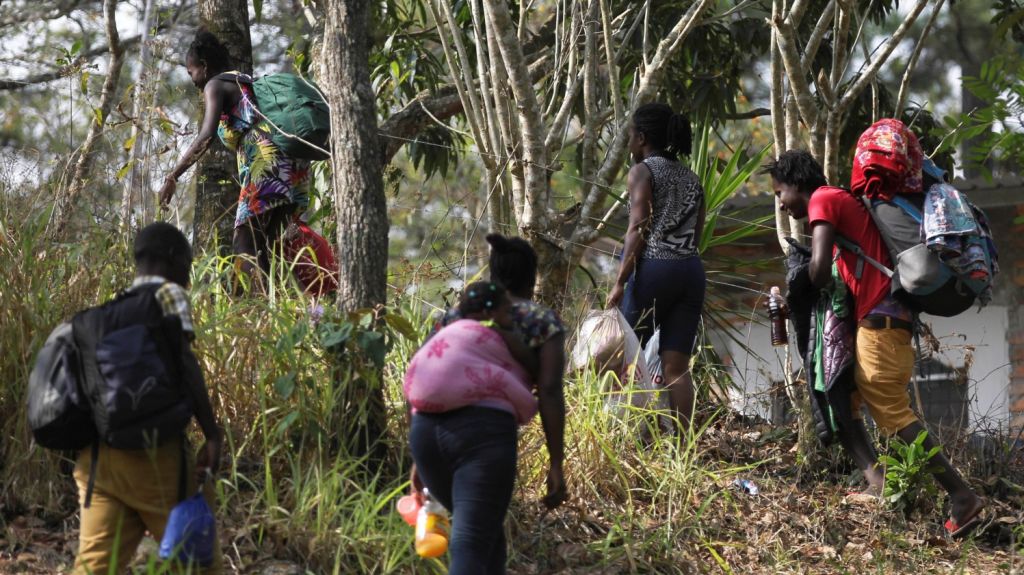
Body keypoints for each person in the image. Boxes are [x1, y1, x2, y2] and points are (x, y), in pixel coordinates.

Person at [766, 148, 984, 538]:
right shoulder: (837, 203)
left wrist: (796, 286)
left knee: (886, 403)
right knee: (845, 396)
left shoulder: (824, 199)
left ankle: (961, 496)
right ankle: (878, 482)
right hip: (882, 320)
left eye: (780, 192)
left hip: (882, 320)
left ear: (797, 184)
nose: (781, 203)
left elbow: (817, 273)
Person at [73, 222, 223, 573]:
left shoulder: (102, 316)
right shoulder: (169, 295)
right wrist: (212, 433)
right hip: (156, 458)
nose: (188, 274)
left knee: (95, 564)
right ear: (172, 259)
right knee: (197, 563)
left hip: (97, 461)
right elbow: (185, 363)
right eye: (188, 263)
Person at [405, 281, 539, 574]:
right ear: (494, 310)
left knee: (486, 533)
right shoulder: (509, 336)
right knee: (472, 541)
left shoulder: (442, 333)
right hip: (482, 434)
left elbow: (414, 386)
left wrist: (417, 460)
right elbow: (548, 385)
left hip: (425, 433)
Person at [158, 29, 310, 285]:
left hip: (267, 162)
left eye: (191, 72)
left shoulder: (215, 84)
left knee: (244, 242)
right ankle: (275, 311)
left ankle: (255, 309)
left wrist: (174, 175)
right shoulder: (245, 80)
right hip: (293, 164)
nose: (193, 80)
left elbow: (206, 135)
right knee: (265, 247)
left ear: (203, 66)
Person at [605, 102, 706, 431]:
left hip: (654, 270)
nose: (629, 143)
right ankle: (684, 449)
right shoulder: (692, 179)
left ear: (642, 138)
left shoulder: (642, 171)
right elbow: (697, 234)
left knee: (625, 357)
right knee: (677, 366)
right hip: (691, 270)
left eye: (631, 136)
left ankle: (625, 438)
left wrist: (620, 281)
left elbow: (638, 226)